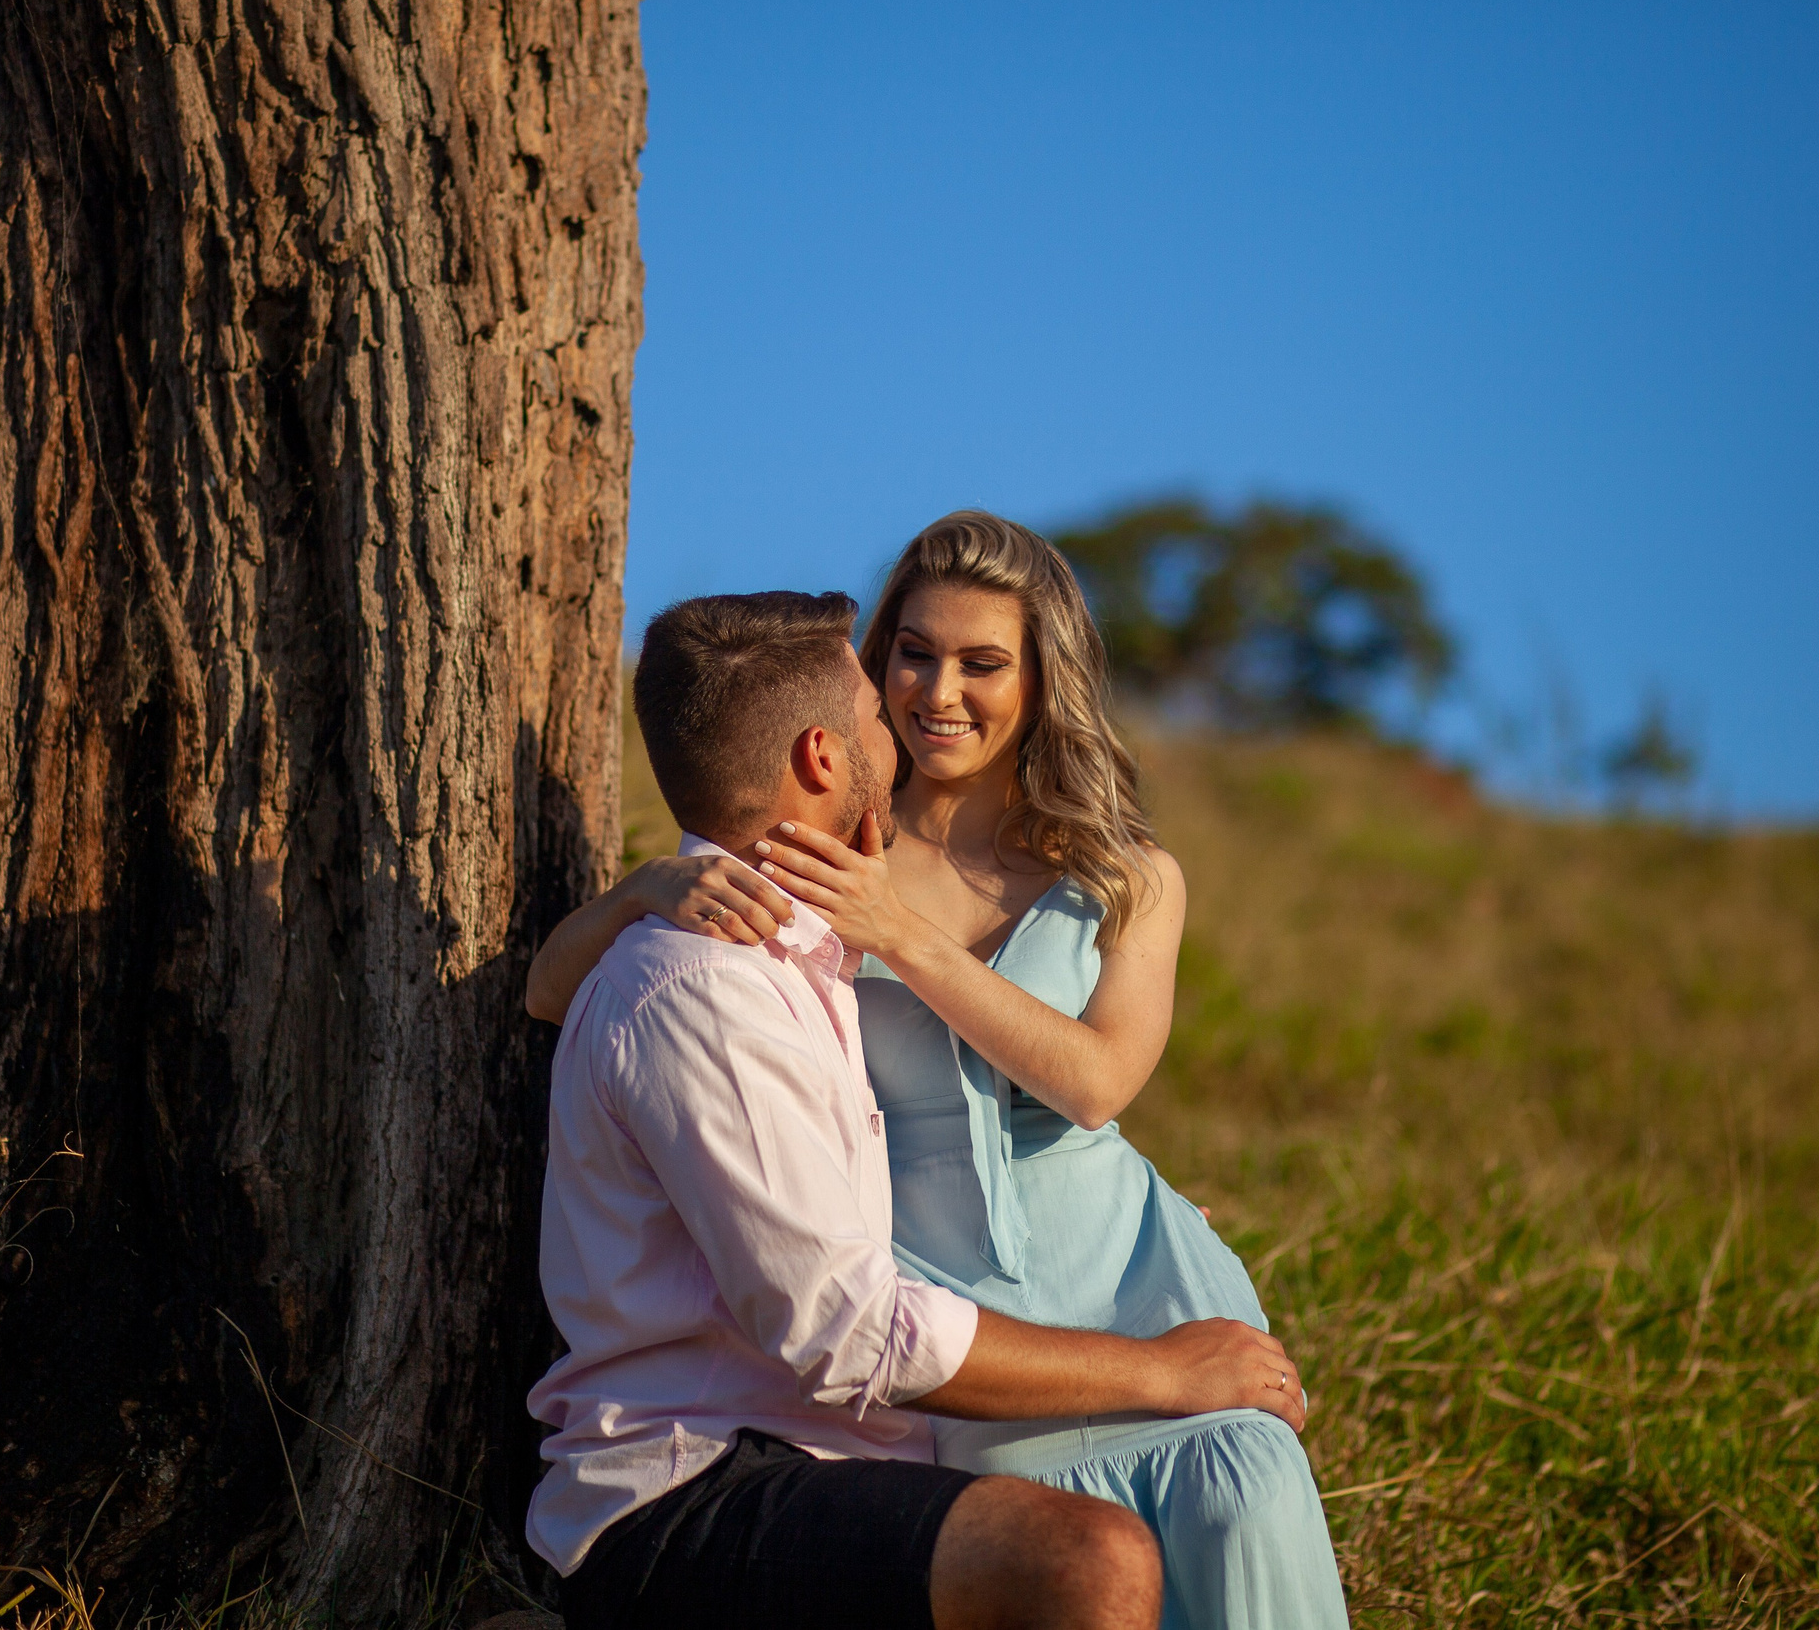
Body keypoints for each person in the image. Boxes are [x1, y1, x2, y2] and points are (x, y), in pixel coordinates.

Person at [529, 514, 1352, 1630]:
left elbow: (1098, 1087)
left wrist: (903, 936)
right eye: (909, 656)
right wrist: (640, 892)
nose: (933, 692)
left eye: (981, 662)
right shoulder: (821, 848)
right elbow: (562, 988)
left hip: (1113, 1270)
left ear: (1041, 678)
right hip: (934, 1310)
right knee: (1060, 1561)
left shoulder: (1122, 873)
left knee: (1238, 1514)